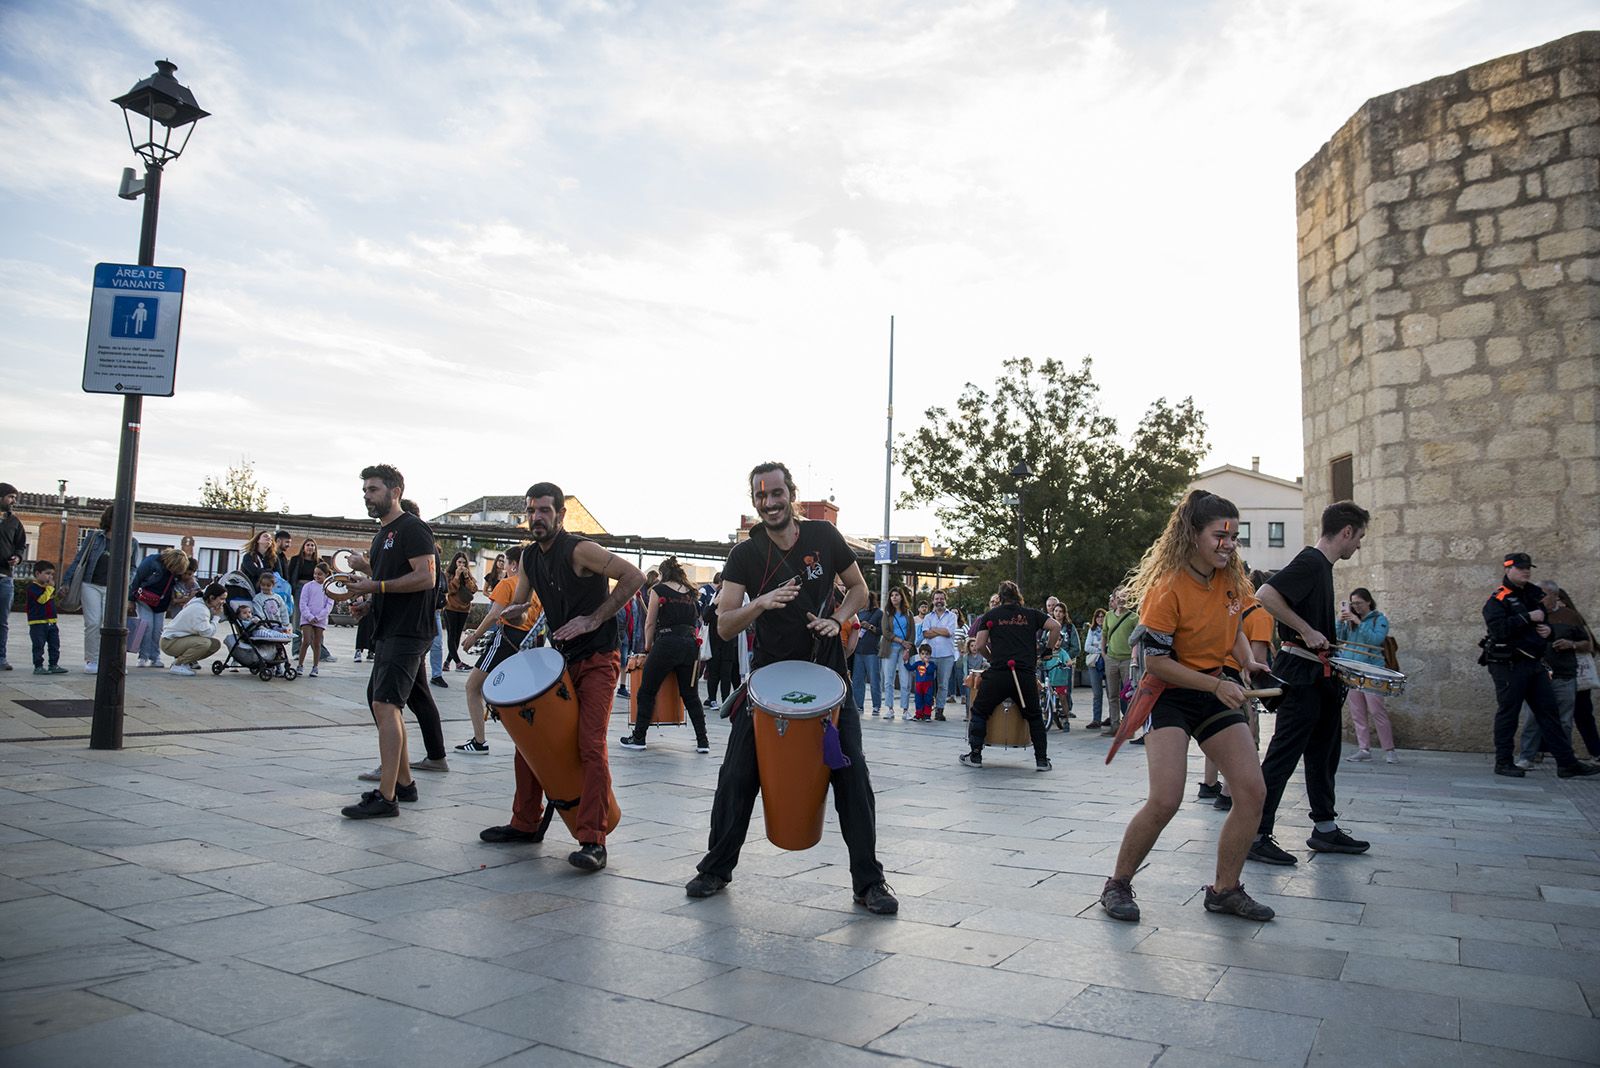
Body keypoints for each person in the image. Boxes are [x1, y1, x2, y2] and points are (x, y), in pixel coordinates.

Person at [686, 461, 897, 914]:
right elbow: (723, 625)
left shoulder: (824, 537)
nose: (769, 502)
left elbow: (859, 589)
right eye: (761, 496)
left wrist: (837, 620)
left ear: (791, 494)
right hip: (766, 684)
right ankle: (715, 868)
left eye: (776, 493)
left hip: (828, 679)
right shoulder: (745, 555)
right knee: (737, 775)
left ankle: (870, 882)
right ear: (755, 501)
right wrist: (759, 603)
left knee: (851, 775)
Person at [1099, 490, 1275, 924]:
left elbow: (1233, 621)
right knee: (1166, 799)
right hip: (1169, 693)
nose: (1229, 544)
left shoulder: (1232, 577)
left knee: (1252, 791)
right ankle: (1117, 884)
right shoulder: (1167, 588)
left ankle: (1225, 890)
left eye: (1234, 536)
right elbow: (1156, 662)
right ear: (1192, 535)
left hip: (1213, 687)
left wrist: (1247, 660)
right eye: (1220, 535)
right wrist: (1216, 687)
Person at [480, 482, 644, 873]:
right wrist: (509, 615)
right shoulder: (532, 558)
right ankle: (525, 823)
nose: (537, 517)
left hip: (599, 660)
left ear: (560, 514)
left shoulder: (579, 549)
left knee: (589, 744)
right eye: (532, 511)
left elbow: (633, 577)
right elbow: (522, 601)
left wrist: (594, 617)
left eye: (545, 510)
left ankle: (593, 840)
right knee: (530, 739)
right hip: (561, 663)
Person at [1248, 501, 1375, 867]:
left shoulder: (1323, 567)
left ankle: (1325, 827)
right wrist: (1306, 629)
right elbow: (1265, 595)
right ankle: (1256, 833)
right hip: (1300, 675)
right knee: (1283, 756)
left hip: (1320, 677)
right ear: (1346, 532)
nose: (1360, 546)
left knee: (1324, 753)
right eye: (1360, 537)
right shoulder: (1310, 561)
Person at [339, 464, 440, 819]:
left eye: (373, 489)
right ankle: (405, 783)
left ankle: (387, 797)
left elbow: (425, 578)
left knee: (385, 704)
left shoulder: (412, 528)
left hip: (409, 631)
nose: (367, 495)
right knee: (382, 703)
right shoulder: (382, 535)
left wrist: (375, 586)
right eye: (365, 489)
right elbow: (390, 581)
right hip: (389, 628)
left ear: (394, 491)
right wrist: (368, 602)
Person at [1481, 554, 1600, 779]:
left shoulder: (1534, 594)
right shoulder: (1499, 598)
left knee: (1549, 712)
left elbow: (1543, 621)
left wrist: (1549, 631)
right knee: (1509, 713)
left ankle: (1566, 763)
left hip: (1534, 663)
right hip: (1509, 664)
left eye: (1528, 568)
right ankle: (1503, 761)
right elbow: (1498, 629)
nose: (1526, 571)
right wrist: (1527, 617)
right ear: (1508, 569)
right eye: (1520, 568)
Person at [962, 581, 1061, 770]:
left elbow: (981, 644)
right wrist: (1047, 649)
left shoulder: (991, 616)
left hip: (999, 673)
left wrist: (993, 659)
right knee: (1033, 715)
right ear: (1018, 596)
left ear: (999, 597)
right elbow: (1055, 627)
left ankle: (975, 755)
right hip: (1024, 674)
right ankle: (1041, 760)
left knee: (980, 710)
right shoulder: (1032, 615)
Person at [620, 556, 711, 753]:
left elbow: (650, 622)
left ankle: (639, 737)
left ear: (662, 574)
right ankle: (703, 742)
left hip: (667, 643)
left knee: (647, 690)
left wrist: (647, 646)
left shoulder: (658, 590)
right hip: (690, 645)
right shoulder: (691, 592)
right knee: (691, 695)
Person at [456, 545, 538, 755]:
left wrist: (475, 636)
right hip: (529, 643)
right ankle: (532, 738)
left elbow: (494, 615)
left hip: (507, 639)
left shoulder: (507, 584)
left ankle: (479, 741)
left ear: (512, 564)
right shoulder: (536, 589)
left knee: (472, 687)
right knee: (521, 693)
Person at [1515, 578, 1593, 769]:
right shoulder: (1532, 615)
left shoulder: (1570, 616)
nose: (1540, 599)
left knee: (1564, 720)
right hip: (1537, 674)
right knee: (1532, 719)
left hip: (1564, 674)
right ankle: (1527, 757)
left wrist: (1571, 644)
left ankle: (1564, 760)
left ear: (1556, 596)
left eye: (1544, 595)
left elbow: (1587, 643)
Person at [1336, 587, 1396, 764]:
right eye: (1353, 604)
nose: (1356, 607)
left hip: (1372, 670)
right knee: (1357, 711)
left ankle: (1389, 749)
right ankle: (1364, 748)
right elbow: (1339, 638)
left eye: (1359, 603)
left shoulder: (1379, 619)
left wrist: (1359, 623)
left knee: (1377, 710)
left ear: (1368, 602)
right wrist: (1341, 621)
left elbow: (1375, 640)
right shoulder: (1351, 621)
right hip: (1353, 670)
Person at [61, 506, 116, 675]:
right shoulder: (94, 537)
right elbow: (80, 559)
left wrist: (127, 592)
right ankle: (92, 659)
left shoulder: (131, 542)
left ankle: (112, 661)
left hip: (114, 588)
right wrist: (66, 582)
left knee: (112, 625)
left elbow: (133, 568)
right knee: (93, 623)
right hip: (90, 584)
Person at [129, 548, 188, 669]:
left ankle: (155, 657)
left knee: (157, 630)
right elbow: (137, 579)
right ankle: (143, 656)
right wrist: (131, 599)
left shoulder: (175, 572)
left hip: (161, 603)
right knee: (147, 627)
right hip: (145, 599)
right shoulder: (151, 561)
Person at [161, 582, 227, 675]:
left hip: (177, 639)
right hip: (169, 642)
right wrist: (216, 617)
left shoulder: (201, 600)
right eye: (222, 599)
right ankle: (179, 665)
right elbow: (207, 633)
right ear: (212, 597)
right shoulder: (200, 610)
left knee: (214, 644)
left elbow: (207, 589)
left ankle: (184, 662)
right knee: (205, 643)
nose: (223, 602)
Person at [1100, 588, 1138, 736]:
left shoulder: (1134, 618)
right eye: (1118, 597)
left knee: (1129, 695)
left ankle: (1129, 729)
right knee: (1112, 695)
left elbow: (1138, 640)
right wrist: (1103, 653)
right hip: (1111, 659)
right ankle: (1115, 726)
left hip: (1128, 660)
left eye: (1124, 597)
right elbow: (1104, 634)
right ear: (1114, 600)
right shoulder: (1108, 616)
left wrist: (1135, 658)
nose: (1121, 600)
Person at [922, 590, 960, 718]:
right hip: (930, 656)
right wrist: (941, 631)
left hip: (946, 655)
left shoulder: (952, 616)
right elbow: (925, 634)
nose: (939, 601)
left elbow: (949, 632)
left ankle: (939, 710)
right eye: (936, 599)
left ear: (945, 600)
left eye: (941, 599)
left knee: (943, 684)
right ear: (933, 601)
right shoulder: (928, 617)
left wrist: (933, 629)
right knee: (928, 682)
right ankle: (927, 708)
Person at [0, 483, 25, 671]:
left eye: (14, 497)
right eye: (10, 497)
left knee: (2, 621)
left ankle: (1, 658)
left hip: (5, 577)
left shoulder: (15, 522)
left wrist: (17, 557)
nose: (13, 501)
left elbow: (20, 545)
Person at [25, 561, 67, 675]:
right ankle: (38, 666)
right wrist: (50, 588)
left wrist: (58, 597)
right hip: (38, 622)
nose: (50, 577)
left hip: (51, 622)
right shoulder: (33, 588)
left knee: (54, 644)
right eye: (47, 573)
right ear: (38, 573)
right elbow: (42, 600)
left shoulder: (47, 588)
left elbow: (51, 601)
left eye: (52, 574)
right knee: (38, 645)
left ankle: (53, 664)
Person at [850, 591, 885, 717]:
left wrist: (870, 627)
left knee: (875, 680)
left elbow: (882, 631)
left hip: (872, 652)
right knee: (858, 680)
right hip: (859, 651)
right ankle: (858, 705)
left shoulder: (878, 613)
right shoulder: (858, 613)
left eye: (865, 599)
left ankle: (876, 706)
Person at [443, 552, 477, 671]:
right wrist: (457, 577)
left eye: (464, 562)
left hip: (464, 610)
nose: (461, 565)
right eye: (459, 562)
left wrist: (466, 577)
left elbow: (473, 589)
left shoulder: (468, 575)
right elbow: (449, 590)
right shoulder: (448, 574)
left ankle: (447, 662)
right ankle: (458, 663)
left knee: (457, 637)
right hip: (450, 608)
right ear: (455, 563)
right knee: (451, 636)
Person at [297, 564, 333, 677]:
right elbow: (302, 603)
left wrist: (319, 617)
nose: (317, 576)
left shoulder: (329, 589)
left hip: (320, 620)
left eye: (320, 574)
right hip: (307, 619)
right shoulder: (308, 586)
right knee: (306, 640)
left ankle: (315, 666)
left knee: (317, 643)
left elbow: (329, 605)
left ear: (326, 575)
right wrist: (309, 616)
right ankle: (300, 664)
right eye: (315, 573)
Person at [1083, 608, 1106, 728]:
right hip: (1095, 663)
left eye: (1102, 616)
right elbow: (1087, 647)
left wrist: (1098, 646)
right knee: (1097, 693)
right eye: (1098, 616)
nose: (1100, 618)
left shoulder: (1108, 629)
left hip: (1108, 662)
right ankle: (1096, 719)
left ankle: (1114, 718)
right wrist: (1100, 649)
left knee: (1112, 693)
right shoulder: (1092, 631)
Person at [906, 643, 938, 721]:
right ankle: (918, 714)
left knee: (928, 699)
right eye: (922, 654)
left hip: (928, 685)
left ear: (930, 655)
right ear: (920, 655)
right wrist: (906, 662)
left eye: (927, 654)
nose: (924, 656)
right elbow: (910, 668)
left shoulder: (932, 664)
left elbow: (931, 671)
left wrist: (927, 664)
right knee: (918, 700)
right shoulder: (917, 664)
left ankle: (927, 715)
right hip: (919, 685)